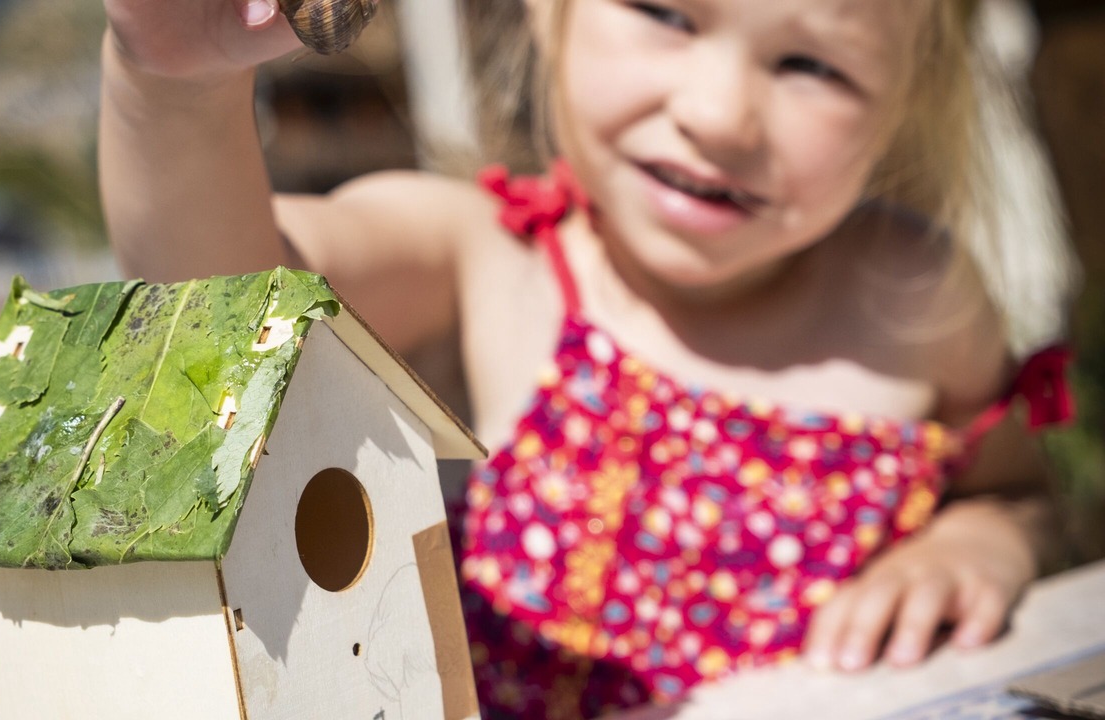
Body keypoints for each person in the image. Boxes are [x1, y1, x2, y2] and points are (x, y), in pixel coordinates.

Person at [97, 0, 1078, 717]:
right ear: (546, 14)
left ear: (905, 101)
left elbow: (1019, 495)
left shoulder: (908, 292)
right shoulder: (484, 257)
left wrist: (979, 544)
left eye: (811, 66)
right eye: (662, 13)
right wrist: (174, 87)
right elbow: (221, 301)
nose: (717, 114)